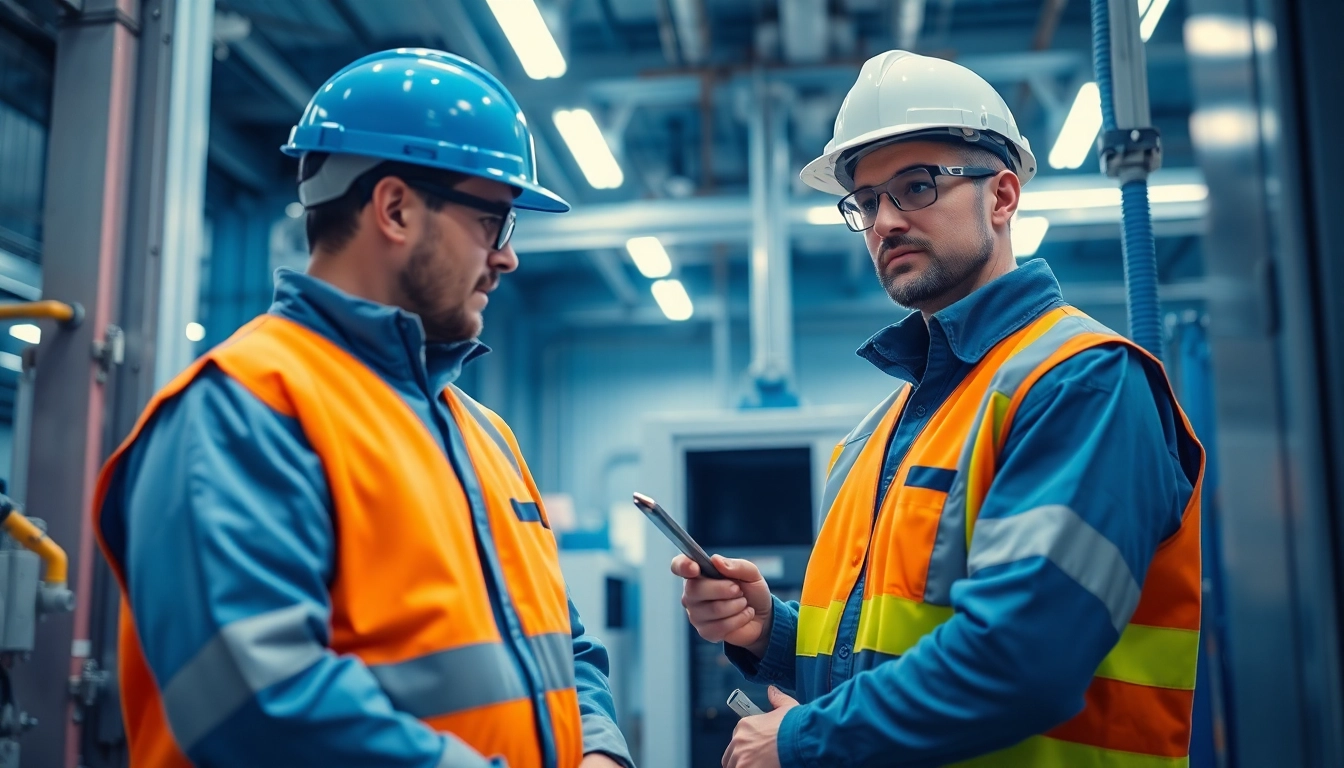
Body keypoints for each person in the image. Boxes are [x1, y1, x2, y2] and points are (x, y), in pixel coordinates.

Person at [93, 49, 632, 768]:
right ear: (396, 208)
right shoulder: (243, 411)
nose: (508, 259)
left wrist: (600, 751)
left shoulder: (483, 434)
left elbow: (562, 648)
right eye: (495, 221)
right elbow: (258, 709)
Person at [673, 50, 1204, 768]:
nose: (884, 221)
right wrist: (770, 631)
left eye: (916, 186)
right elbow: (884, 655)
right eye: (864, 202)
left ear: (1003, 196)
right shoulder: (879, 431)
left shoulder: (1081, 381)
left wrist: (804, 739)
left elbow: (1023, 659)